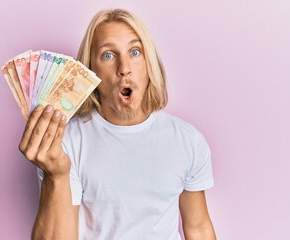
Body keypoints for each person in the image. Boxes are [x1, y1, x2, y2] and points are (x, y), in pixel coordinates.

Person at [19, 9, 216, 240]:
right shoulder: (65, 143)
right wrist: (56, 175)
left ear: (149, 63)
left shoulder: (188, 140)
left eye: (135, 51)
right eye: (108, 55)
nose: (124, 67)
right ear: (90, 72)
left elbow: (198, 227)